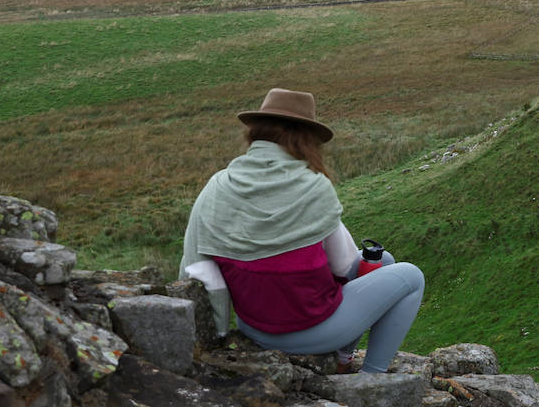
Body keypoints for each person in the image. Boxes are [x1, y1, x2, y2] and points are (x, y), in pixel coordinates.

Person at [178, 88, 424, 373]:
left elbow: (195, 263)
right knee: (411, 276)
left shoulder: (218, 185)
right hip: (309, 331)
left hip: (252, 326)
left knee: (383, 260)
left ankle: (343, 360)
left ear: (255, 134)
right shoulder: (313, 187)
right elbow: (344, 266)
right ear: (306, 140)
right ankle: (371, 379)